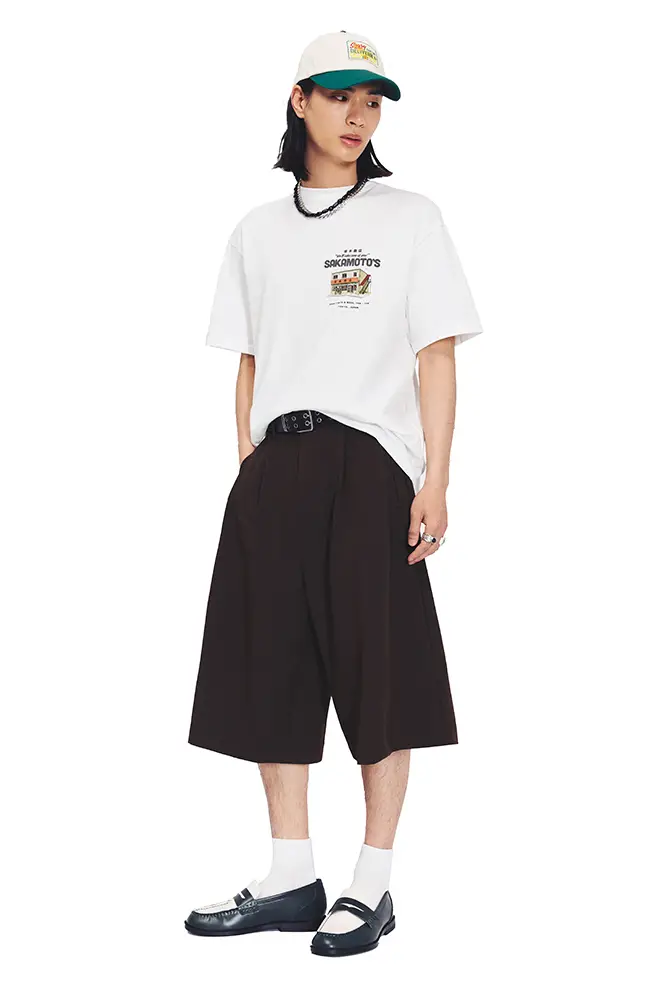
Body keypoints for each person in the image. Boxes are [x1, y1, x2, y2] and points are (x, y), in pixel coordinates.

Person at [184, 29, 483, 957]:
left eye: (373, 100)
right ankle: (290, 877)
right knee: (268, 669)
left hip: (369, 467)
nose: (359, 115)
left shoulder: (409, 219)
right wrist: (248, 463)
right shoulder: (256, 231)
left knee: (377, 674)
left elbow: (436, 353)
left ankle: (371, 884)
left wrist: (435, 477)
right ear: (299, 100)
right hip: (275, 467)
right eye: (341, 95)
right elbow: (248, 358)